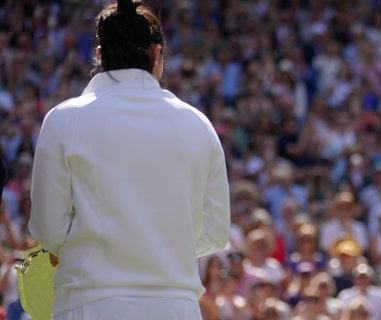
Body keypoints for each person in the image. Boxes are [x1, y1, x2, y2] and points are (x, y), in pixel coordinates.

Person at [28, 0, 231, 319]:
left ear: (99, 54)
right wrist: (160, 245)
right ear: (156, 54)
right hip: (175, 306)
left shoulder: (64, 120)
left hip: (91, 303)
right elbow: (216, 231)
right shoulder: (198, 124)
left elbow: (48, 229)